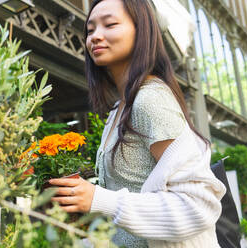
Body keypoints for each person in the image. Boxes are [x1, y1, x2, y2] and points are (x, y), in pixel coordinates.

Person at [48, 0, 226, 247]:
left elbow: (197, 206)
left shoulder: (150, 99)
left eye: (110, 24)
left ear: (141, 31)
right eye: (90, 30)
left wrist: (99, 199)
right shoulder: (118, 110)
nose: (95, 37)